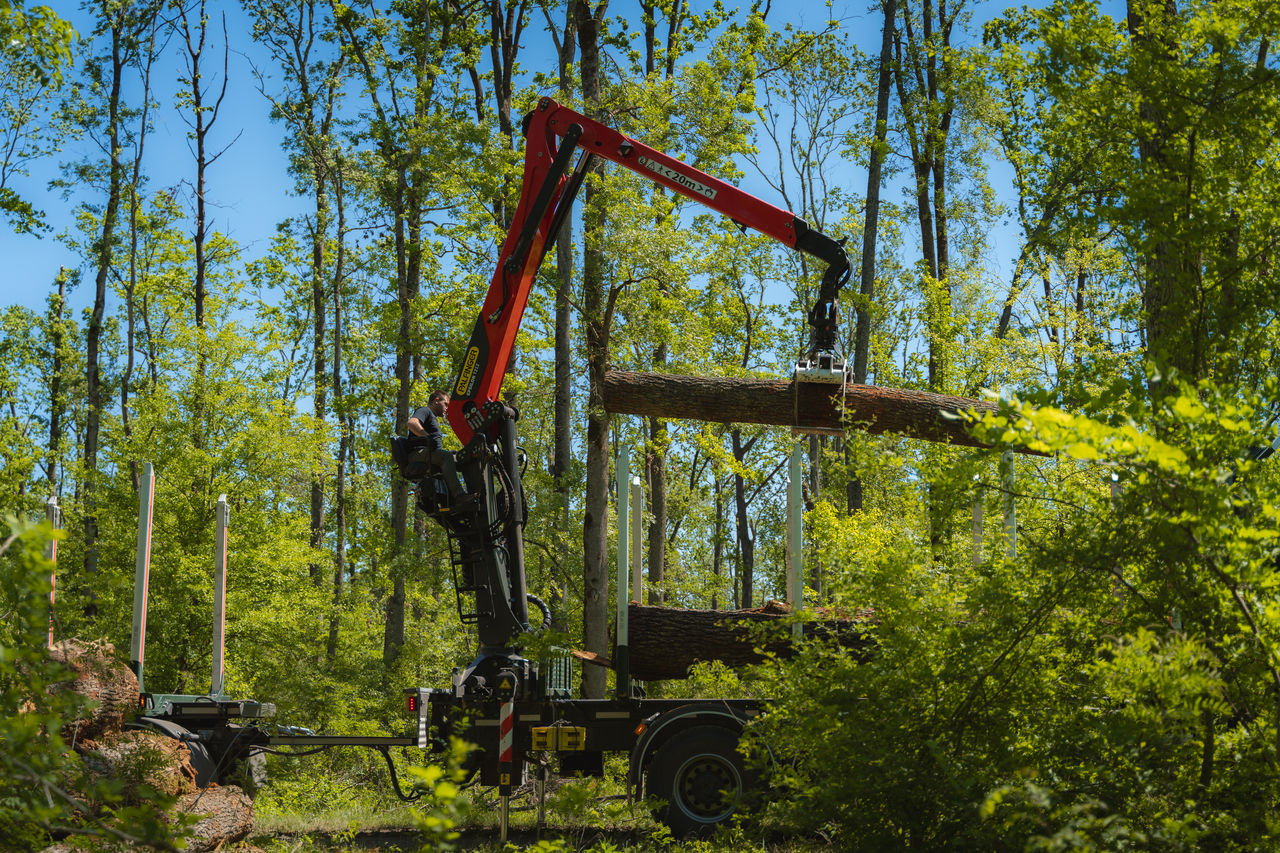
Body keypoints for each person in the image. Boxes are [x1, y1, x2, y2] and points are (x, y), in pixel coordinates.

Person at [407, 391, 475, 510]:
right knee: (446, 457)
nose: (447, 409)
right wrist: (426, 437)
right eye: (446, 404)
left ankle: (471, 495)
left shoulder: (432, 417)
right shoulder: (425, 411)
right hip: (417, 454)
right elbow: (412, 423)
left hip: (429, 454)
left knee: (462, 458)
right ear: (436, 400)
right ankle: (459, 496)